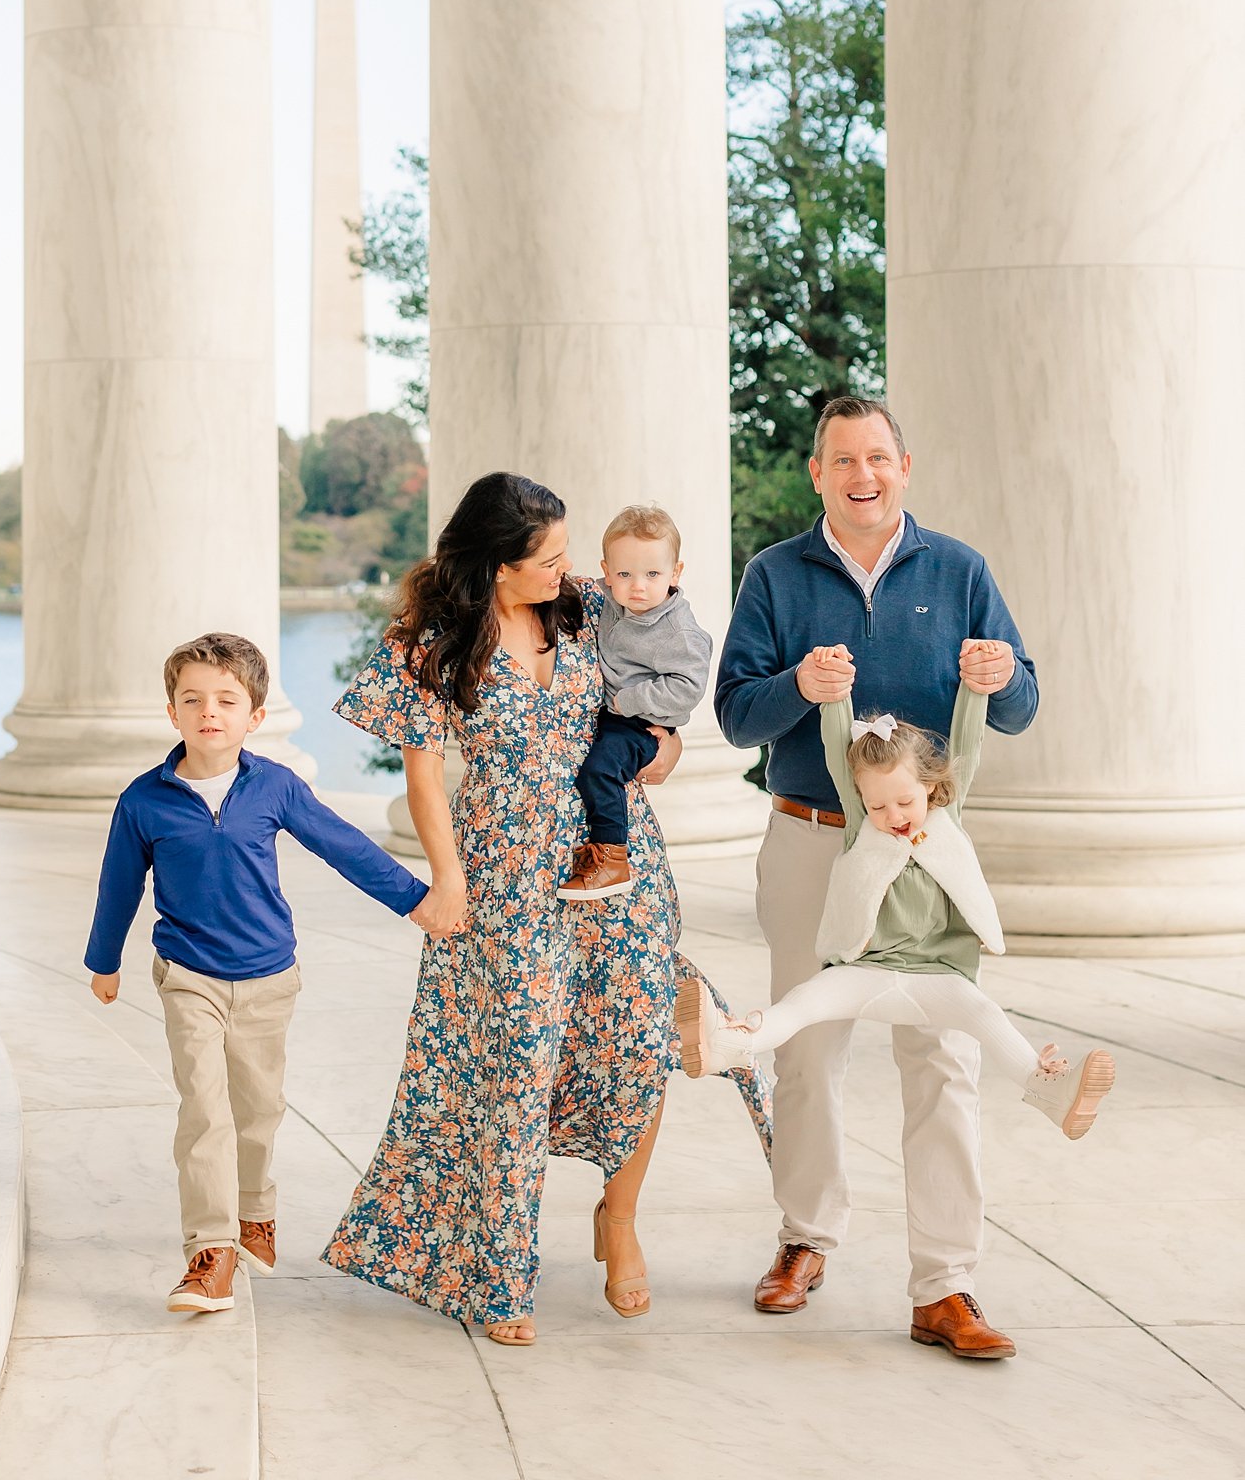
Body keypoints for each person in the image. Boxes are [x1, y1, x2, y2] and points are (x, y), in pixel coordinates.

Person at [323, 472, 771, 1347]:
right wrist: (443, 882)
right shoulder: (432, 640)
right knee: (514, 1066)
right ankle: (499, 1270)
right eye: (550, 557)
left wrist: (667, 744)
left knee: (640, 1038)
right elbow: (423, 778)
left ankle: (620, 1219)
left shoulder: (595, 607)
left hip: (615, 861)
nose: (570, 570)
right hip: (503, 874)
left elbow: (671, 677)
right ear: (498, 567)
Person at [714, 395, 1039, 1360]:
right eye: (843, 459)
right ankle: (804, 1241)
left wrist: (999, 675)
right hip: (811, 841)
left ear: (907, 466)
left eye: (879, 458)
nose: (863, 474)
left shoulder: (961, 569)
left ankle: (946, 1285)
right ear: (817, 473)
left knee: (942, 1059)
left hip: (925, 852)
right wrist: (795, 691)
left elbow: (1021, 703)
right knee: (807, 1052)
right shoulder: (776, 574)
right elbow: (736, 716)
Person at [681, 671, 1116, 1355]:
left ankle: (1050, 1086)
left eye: (905, 801)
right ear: (861, 803)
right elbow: (834, 747)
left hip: (938, 980)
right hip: (866, 973)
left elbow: (968, 740)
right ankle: (733, 1040)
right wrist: (834, 700)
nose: (894, 816)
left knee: (984, 1018)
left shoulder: (946, 817)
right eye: (878, 806)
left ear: (934, 789)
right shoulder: (866, 824)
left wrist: (975, 693)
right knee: (803, 1007)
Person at [84, 630, 436, 1315]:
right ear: (173, 714)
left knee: (257, 1112)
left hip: (270, 976)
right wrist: (104, 962)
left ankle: (255, 1211)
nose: (208, 711)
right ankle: (209, 1252)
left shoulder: (273, 786)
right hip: (189, 974)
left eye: (226, 699)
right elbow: (117, 885)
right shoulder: (144, 801)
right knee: (204, 1112)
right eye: (193, 699)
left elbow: (344, 845)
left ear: (255, 717)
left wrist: (415, 900)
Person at [558, 504, 712, 903]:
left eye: (653, 574)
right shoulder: (610, 599)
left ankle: (612, 858)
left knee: (600, 771)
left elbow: (688, 688)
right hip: (618, 715)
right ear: (607, 572)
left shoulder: (677, 631)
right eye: (625, 574)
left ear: (676, 573)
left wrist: (628, 700)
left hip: (641, 722)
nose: (638, 586)